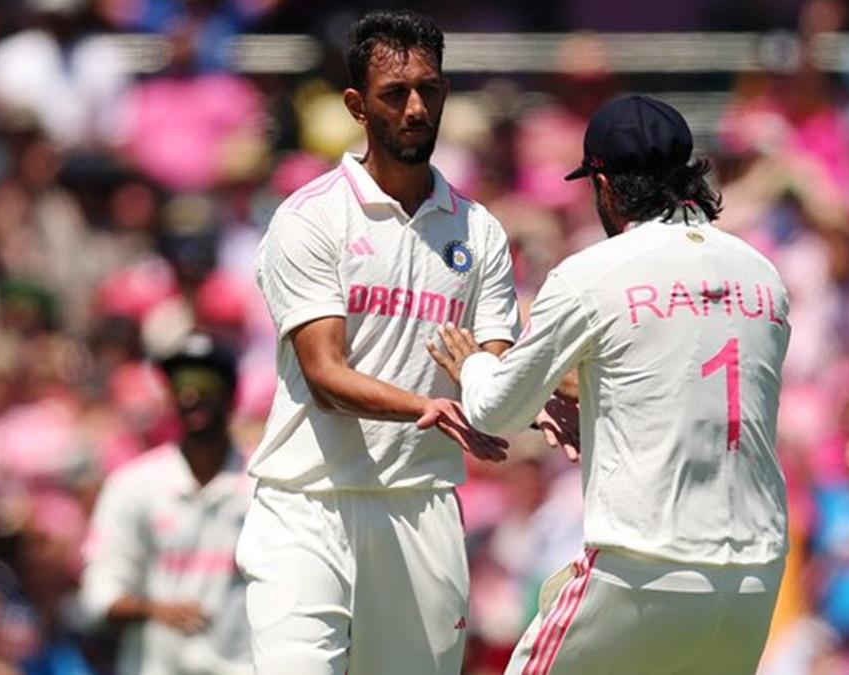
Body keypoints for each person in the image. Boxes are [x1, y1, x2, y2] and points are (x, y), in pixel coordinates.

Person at [429, 94, 792, 675]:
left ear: (606, 185)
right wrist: (586, 397)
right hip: (755, 579)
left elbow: (494, 412)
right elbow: (689, 379)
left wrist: (473, 364)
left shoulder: (590, 272)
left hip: (641, 571)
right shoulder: (763, 275)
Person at [235, 10, 521, 675]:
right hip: (309, 505)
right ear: (357, 106)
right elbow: (325, 374)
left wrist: (545, 395)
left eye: (430, 89)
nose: (417, 108)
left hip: (422, 506)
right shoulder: (310, 218)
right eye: (396, 94)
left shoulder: (479, 233)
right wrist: (424, 403)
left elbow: (495, 371)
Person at [80, 334, 252, 674]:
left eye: (206, 383)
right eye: (180, 384)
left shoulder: (264, 486)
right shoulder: (134, 485)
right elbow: (100, 591)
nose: (191, 395)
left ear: (232, 397)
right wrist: (154, 610)